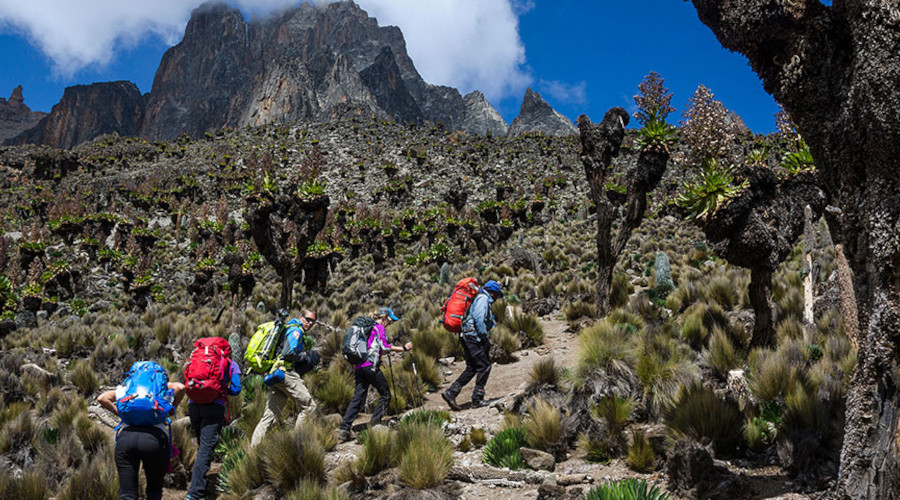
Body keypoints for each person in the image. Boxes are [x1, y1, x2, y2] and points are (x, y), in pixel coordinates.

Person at [97, 365, 185, 500]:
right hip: (155, 438)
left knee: (127, 494)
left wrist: (120, 413)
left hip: (126, 438)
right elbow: (181, 388)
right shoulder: (160, 388)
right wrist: (172, 409)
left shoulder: (126, 389)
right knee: (154, 491)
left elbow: (102, 398)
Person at [338, 307, 412, 442]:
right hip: (370, 366)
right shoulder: (378, 327)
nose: (389, 324)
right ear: (384, 318)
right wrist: (403, 348)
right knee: (386, 394)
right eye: (389, 321)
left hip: (359, 366)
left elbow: (377, 348)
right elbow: (384, 347)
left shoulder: (368, 328)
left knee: (358, 397)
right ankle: (374, 424)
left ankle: (344, 428)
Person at [250, 308, 318, 447]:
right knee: (309, 407)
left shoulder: (289, 328)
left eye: (313, 321)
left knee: (270, 417)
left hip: (276, 375)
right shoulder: (296, 331)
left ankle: (254, 451)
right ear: (300, 317)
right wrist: (304, 356)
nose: (310, 323)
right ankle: (298, 446)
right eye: (308, 319)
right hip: (286, 373)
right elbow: (288, 353)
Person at [185, 346, 241, 500]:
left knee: (202, 446)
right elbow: (236, 389)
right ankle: (195, 493)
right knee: (206, 449)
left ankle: (198, 483)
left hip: (193, 404)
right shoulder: (230, 363)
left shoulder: (197, 359)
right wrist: (220, 389)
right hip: (214, 406)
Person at [442, 279, 502, 410]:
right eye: (497, 295)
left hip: (466, 336)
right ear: (493, 293)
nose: (497, 298)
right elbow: (479, 319)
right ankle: (477, 399)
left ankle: (451, 393)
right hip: (473, 337)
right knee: (484, 366)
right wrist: (484, 338)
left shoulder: (478, 298)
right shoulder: (483, 299)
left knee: (472, 368)